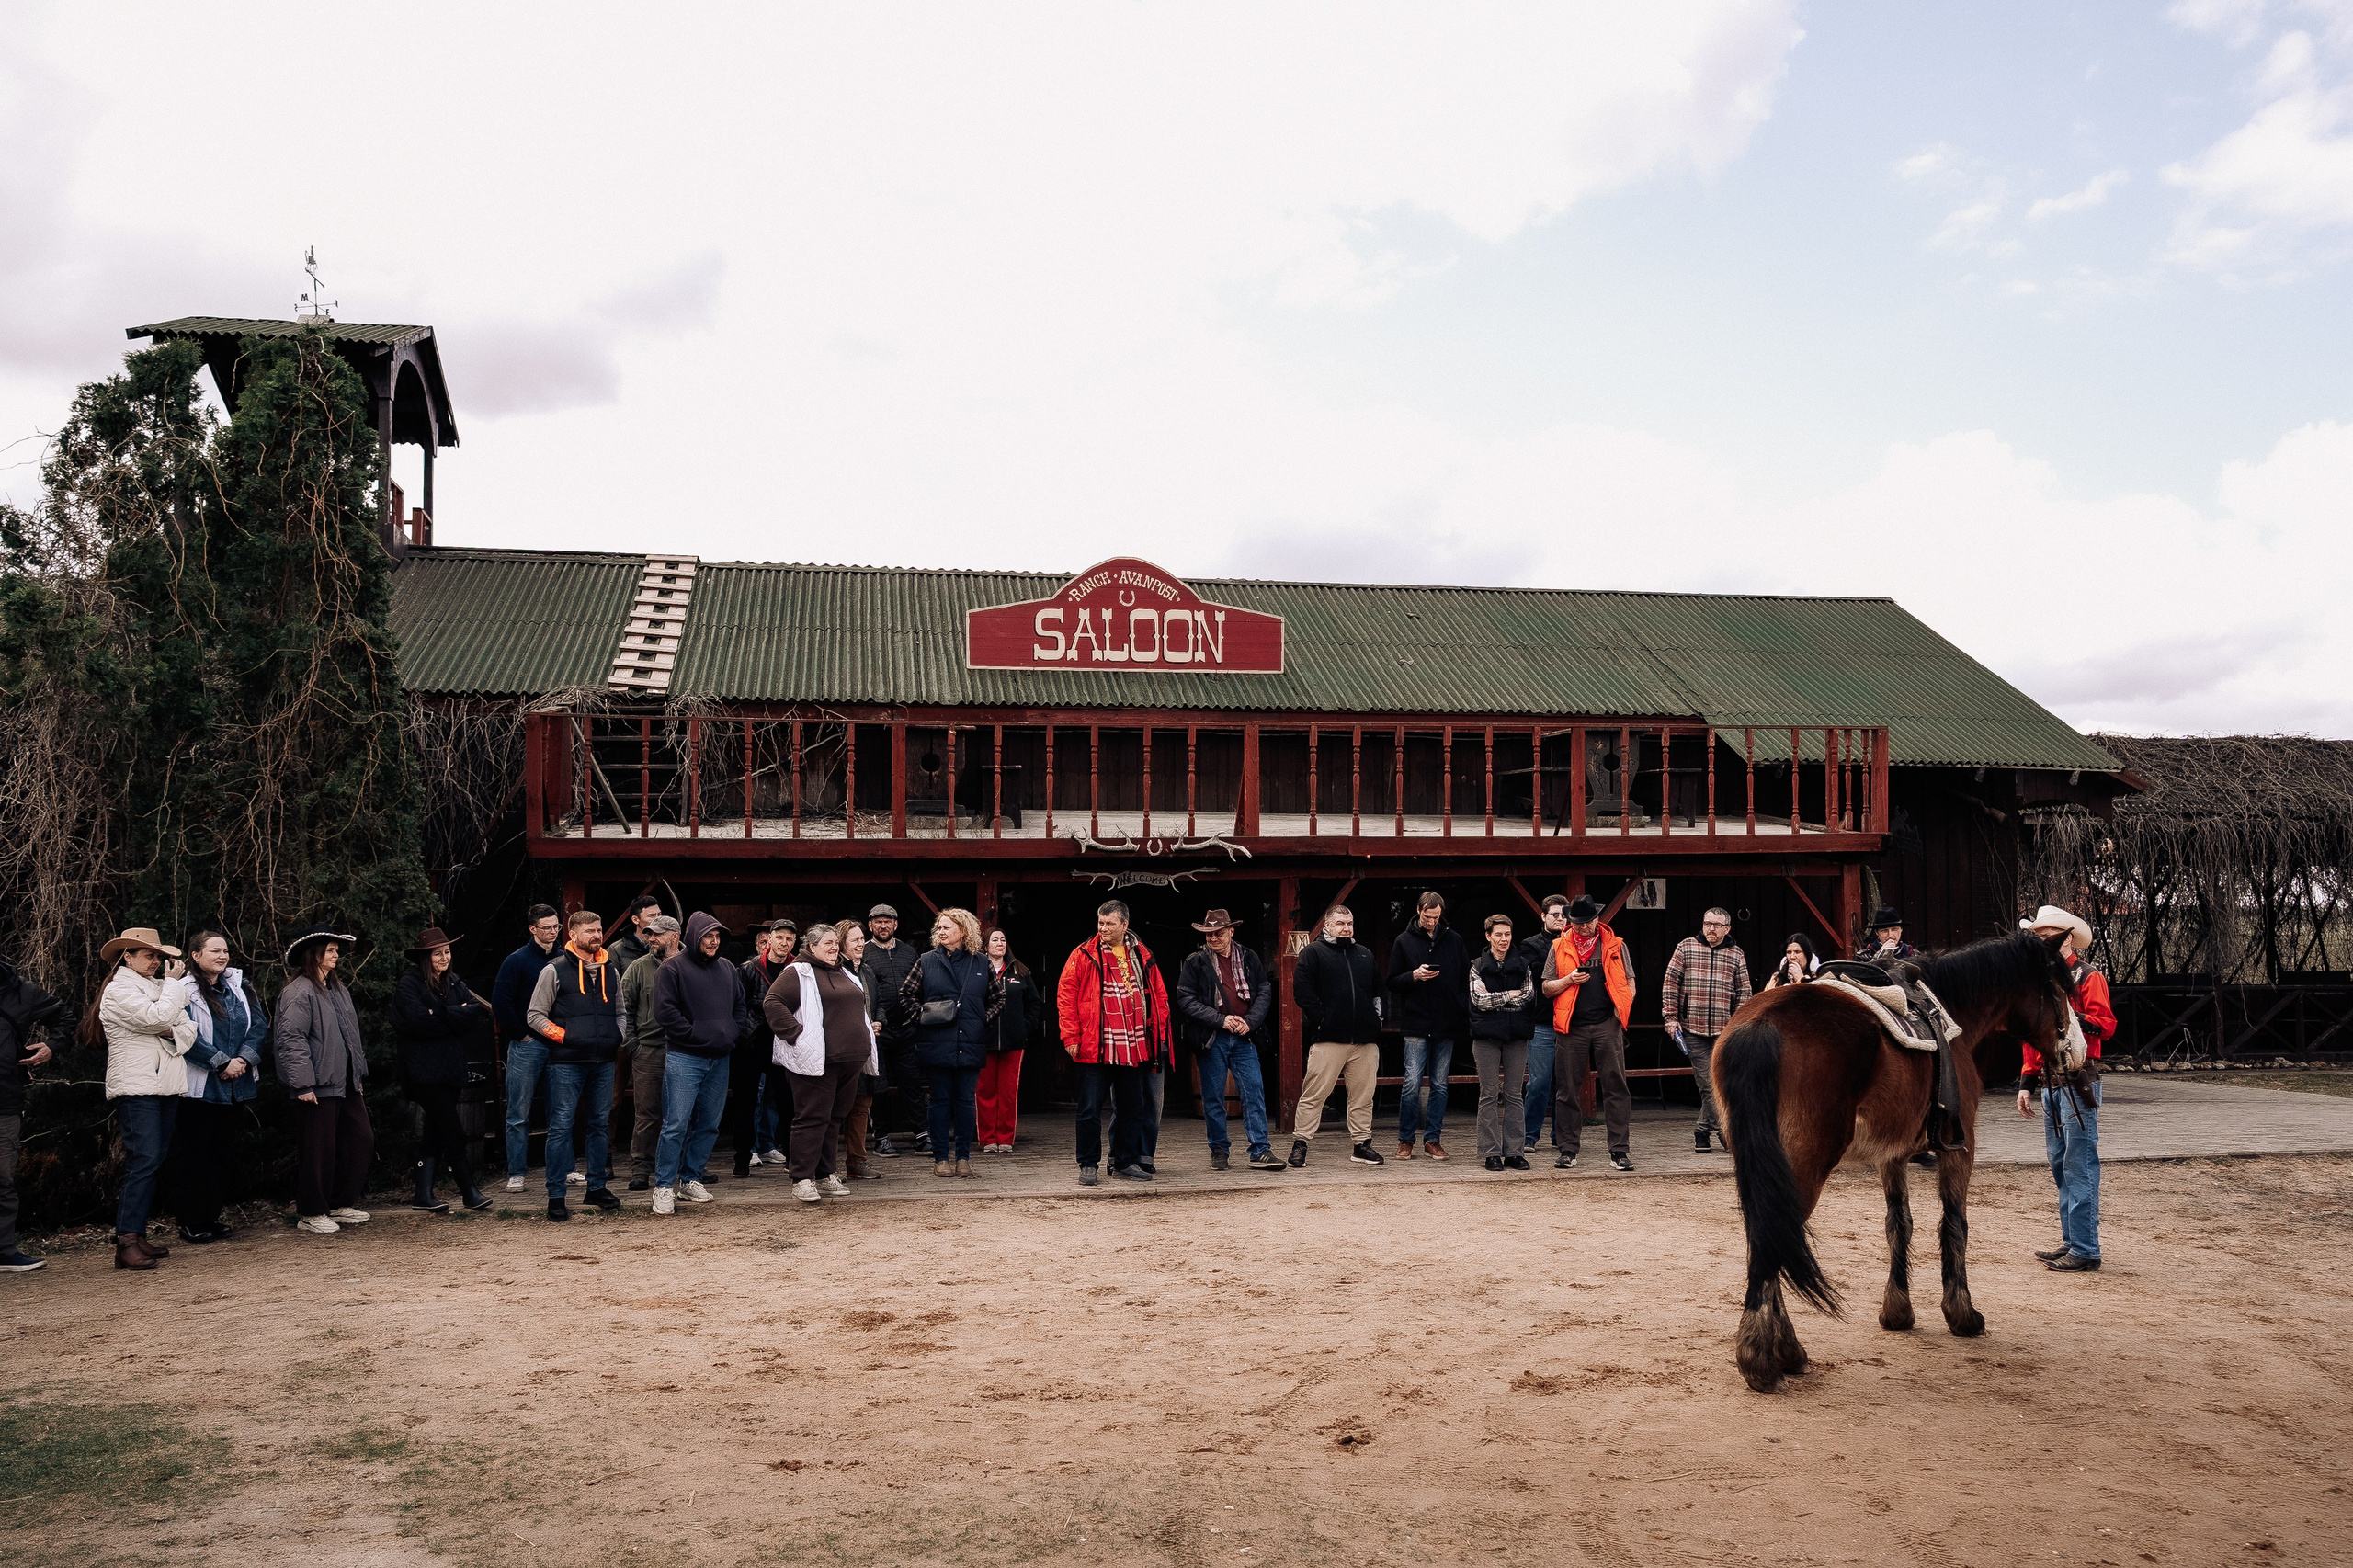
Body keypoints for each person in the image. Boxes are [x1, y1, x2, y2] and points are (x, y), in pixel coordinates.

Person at [85, 927, 196, 1269]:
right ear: (127, 957)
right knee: (144, 1161)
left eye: (158, 955)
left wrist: (168, 1020)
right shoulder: (119, 990)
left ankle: (135, 1234)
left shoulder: (162, 989)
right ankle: (126, 1241)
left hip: (165, 1084)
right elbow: (161, 1018)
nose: (156, 960)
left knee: (153, 1161)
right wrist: (170, 1006)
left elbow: (188, 1032)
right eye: (148, 954)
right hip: (136, 1087)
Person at [2018, 904, 2116, 1274]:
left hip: (2077, 1079)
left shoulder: (2088, 976)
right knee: (2062, 1164)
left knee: (2078, 1164)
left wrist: (2066, 1017)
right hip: (2052, 1082)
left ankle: (2085, 1247)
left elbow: (2105, 1025)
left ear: (2067, 937)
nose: (2042, 941)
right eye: (2041, 937)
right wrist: (2027, 1082)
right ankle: (2074, 1241)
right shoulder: (2047, 978)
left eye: (2047, 936)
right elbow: (2033, 1038)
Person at [1057, 900, 1170, 1186]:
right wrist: (1070, 1036)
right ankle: (1088, 1164)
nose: (1103, 928)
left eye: (1109, 924)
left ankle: (1125, 1161)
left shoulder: (1142, 954)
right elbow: (1066, 997)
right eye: (1100, 923)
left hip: (1133, 1044)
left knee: (1133, 1107)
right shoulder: (1083, 954)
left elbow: (1159, 997)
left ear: (1124, 925)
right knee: (1089, 1109)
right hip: (1095, 1045)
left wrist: (1158, 1035)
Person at [765, 922, 879, 1203]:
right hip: (817, 1061)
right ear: (811, 946)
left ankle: (826, 1174)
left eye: (835, 943)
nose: (834, 947)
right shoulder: (798, 972)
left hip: (849, 1061)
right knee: (811, 1118)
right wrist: (797, 1034)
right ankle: (801, 1178)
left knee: (834, 1119)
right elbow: (773, 1002)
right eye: (827, 943)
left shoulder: (844, 972)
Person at [526, 909, 627, 1221]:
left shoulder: (611, 969)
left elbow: (622, 1011)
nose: (596, 936)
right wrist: (564, 1037)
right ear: (573, 935)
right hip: (566, 1063)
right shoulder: (554, 970)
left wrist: (617, 1036)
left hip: (604, 1061)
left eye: (599, 930)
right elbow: (534, 1016)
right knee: (561, 1128)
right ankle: (556, 1195)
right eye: (589, 931)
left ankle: (596, 1187)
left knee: (599, 1124)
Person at [275, 925, 375, 1234]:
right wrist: (302, 1084)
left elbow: (347, 1038)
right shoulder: (298, 992)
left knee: (360, 1139)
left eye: (336, 949)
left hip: (345, 1082)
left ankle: (341, 1204)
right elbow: (290, 1039)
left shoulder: (338, 989)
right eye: (330, 950)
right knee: (318, 1150)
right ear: (313, 953)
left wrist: (356, 1073)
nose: (336, 954)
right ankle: (312, 1212)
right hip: (316, 1085)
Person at [171, 930, 267, 1242]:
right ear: (196, 956)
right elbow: (183, 1034)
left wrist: (242, 1060)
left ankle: (210, 1218)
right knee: (195, 1155)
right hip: (200, 1087)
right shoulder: (183, 990)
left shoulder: (240, 987)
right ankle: (191, 1221)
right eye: (215, 951)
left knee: (221, 1155)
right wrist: (221, 1062)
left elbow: (259, 1025)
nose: (223, 956)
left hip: (235, 1085)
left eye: (225, 951)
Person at [392, 925, 493, 1215]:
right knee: (451, 1127)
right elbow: (416, 1021)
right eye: (437, 954)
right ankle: (468, 1191)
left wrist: (441, 1011)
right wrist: (450, 1015)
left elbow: (472, 1013)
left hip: (450, 1068)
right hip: (422, 1071)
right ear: (425, 957)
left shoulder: (454, 981)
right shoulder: (409, 984)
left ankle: (422, 1195)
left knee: (435, 1131)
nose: (444, 958)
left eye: (447, 952)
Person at [651, 912, 747, 1214]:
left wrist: (732, 1033)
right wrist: (694, 1035)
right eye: (708, 936)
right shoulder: (672, 969)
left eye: (718, 937)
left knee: (709, 1124)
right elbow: (665, 1012)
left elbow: (740, 1006)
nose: (714, 941)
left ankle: (690, 1180)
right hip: (684, 1057)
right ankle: (664, 1186)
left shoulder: (728, 969)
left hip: (720, 1058)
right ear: (694, 937)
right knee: (675, 1124)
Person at [894, 908, 1000, 1178]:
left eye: (946, 927)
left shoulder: (981, 963)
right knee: (939, 1100)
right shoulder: (926, 961)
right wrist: (919, 1015)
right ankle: (941, 1157)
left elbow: (999, 998)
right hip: (936, 1041)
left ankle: (963, 1157)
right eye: (939, 928)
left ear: (963, 931)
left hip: (971, 1041)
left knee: (965, 1101)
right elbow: (907, 993)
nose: (941, 932)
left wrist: (980, 1019)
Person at [1174, 908, 1281, 1173]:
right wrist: (1220, 1020)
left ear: (1231, 931)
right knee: (1213, 1096)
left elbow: (1264, 991)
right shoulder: (1196, 962)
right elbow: (1185, 999)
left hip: (1244, 1036)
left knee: (1254, 1090)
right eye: (1208, 934)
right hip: (1213, 1037)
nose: (1213, 938)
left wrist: (1250, 1021)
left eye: (1218, 932)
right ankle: (1219, 1149)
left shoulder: (1249, 957)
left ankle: (1260, 1150)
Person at [1288, 904, 1385, 1168]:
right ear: (1328, 925)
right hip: (1328, 1039)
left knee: (1363, 1097)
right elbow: (1302, 991)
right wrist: (1321, 1020)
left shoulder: (1364, 954)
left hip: (1364, 1040)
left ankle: (1361, 1145)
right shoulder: (1313, 953)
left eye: (1350, 923)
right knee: (1314, 1095)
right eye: (1340, 923)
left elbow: (1378, 990)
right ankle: (1300, 1144)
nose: (1346, 928)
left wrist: (1376, 1020)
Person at [1542, 894, 1635, 1171]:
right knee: (1567, 1089)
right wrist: (1569, 980)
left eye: (1588, 922)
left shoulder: (1616, 944)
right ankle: (1568, 1150)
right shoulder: (1558, 946)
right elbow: (1547, 987)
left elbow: (1630, 981)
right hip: (1571, 1026)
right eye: (1578, 923)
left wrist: (1622, 1012)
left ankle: (1619, 1151)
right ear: (1570, 921)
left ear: (1597, 918)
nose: (1584, 928)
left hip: (1607, 1023)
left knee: (1616, 1086)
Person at [1660, 907, 1753, 1154]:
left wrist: (1739, 1023)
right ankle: (1725, 1132)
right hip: (1693, 1029)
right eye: (1707, 923)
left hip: (1726, 1031)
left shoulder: (1736, 954)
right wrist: (1670, 1017)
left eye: (1716, 925)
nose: (1710, 929)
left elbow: (1744, 991)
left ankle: (1702, 1129)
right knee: (1709, 1086)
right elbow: (1671, 982)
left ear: (1727, 929)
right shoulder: (1686, 947)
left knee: (1724, 1083)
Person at [1387, 891, 1468, 1162]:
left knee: (1440, 1085)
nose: (1431, 921)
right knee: (1411, 1083)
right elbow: (1392, 981)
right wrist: (1414, 975)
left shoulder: (1455, 941)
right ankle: (1405, 1140)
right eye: (1427, 916)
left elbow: (1464, 980)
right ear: (1418, 911)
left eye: (1436, 917)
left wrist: (1459, 1007)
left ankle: (1433, 1139)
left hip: (1447, 1022)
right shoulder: (1403, 941)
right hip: (1416, 1021)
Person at [0, 953, 65, 1272]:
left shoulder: (22, 991)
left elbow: (64, 1018)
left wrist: (51, 1045)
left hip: (4, 1101)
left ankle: (3, 1251)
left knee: (1, 1178)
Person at [493, 904, 562, 1191]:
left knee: (560, 1111)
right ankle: (517, 1173)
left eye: (556, 926)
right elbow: (501, 1001)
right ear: (533, 929)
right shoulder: (516, 961)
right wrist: (521, 1035)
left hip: (559, 1045)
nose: (553, 932)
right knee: (519, 1112)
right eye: (546, 928)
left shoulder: (564, 957)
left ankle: (564, 1168)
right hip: (527, 1046)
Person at [1469, 914, 1537, 1172]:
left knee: (1514, 1095)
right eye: (1498, 934)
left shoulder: (1524, 965)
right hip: (1486, 1038)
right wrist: (1510, 994)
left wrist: (1496, 997)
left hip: (1517, 1037)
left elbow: (1529, 995)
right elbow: (1479, 1000)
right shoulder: (1477, 965)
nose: (1504, 939)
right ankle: (1490, 1153)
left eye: (1507, 934)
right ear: (1488, 936)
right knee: (1488, 1094)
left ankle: (1515, 1152)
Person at [620, 915, 682, 1190]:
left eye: (657, 934)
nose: (651, 938)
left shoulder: (690, 965)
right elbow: (623, 1010)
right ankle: (641, 1169)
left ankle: (685, 1168)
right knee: (646, 1113)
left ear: (675, 937)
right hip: (649, 1051)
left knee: (681, 1113)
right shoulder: (637, 968)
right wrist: (633, 1045)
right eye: (649, 934)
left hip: (685, 1050)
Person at [731, 920, 796, 1177]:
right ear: (769, 940)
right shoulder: (748, 969)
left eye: (789, 939)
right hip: (753, 1041)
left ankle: (793, 1157)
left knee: (788, 1103)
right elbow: (739, 1005)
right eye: (779, 937)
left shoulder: (799, 969)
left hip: (787, 1041)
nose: (784, 943)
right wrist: (746, 1035)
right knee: (746, 1103)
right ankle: (742, 1159)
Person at [863, 904, 926, 1155]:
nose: (883, 926)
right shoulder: (864, 952)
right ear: (870, 926)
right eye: (878, 922)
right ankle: (881, 1137)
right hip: (878, 1032)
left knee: (912, 1084)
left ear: (896, 925)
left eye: (887, 921)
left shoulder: (910, 952)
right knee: (878, 1085)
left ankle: (922, 1133)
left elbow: (921, 987)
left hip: (907, 1029)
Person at [976, 926, 1041, 1153]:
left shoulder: (1019, 971)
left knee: (1008, 1092)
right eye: (994, 940)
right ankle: (987, 1139)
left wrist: (1025, 1026)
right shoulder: (977, 970)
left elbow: (1034, 1003)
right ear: (985, 945)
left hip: (1013, 1042)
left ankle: (1005, 1138)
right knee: (984, 1092)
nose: (999, 943)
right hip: (984, 1041)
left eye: (1003, 939)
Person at [1519, 895, 1570, 1152]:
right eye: (1555, 915)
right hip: (1541, 1022)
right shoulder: (1529, 945)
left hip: (1570, 1023)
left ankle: (1561, 1135)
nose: (1560, 919)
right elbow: (1538, 973)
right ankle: (1529, 1135)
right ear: (1543, 916)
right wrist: (1562, 950)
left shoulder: (1576, 944)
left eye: (1564, 915)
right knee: (1538, 1082)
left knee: (1565, 1082)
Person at [840, 920, 883, 1178]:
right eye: (854, 939)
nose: (860, 944)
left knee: (862, 1105)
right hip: (843, 1049)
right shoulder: (834, 972)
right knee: (836, 1108)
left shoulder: (866, 971)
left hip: (868, 1048)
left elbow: (879, 1003)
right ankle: (827, 1167)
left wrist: (879, 1020)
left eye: (861, 939)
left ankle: (856, 1162)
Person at [605, 893, 663, 975]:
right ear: (635, 920)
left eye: (659, 914)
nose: (658, 920)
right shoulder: (616, 950)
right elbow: (612, 983)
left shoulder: (667, 945)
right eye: (652, 916)